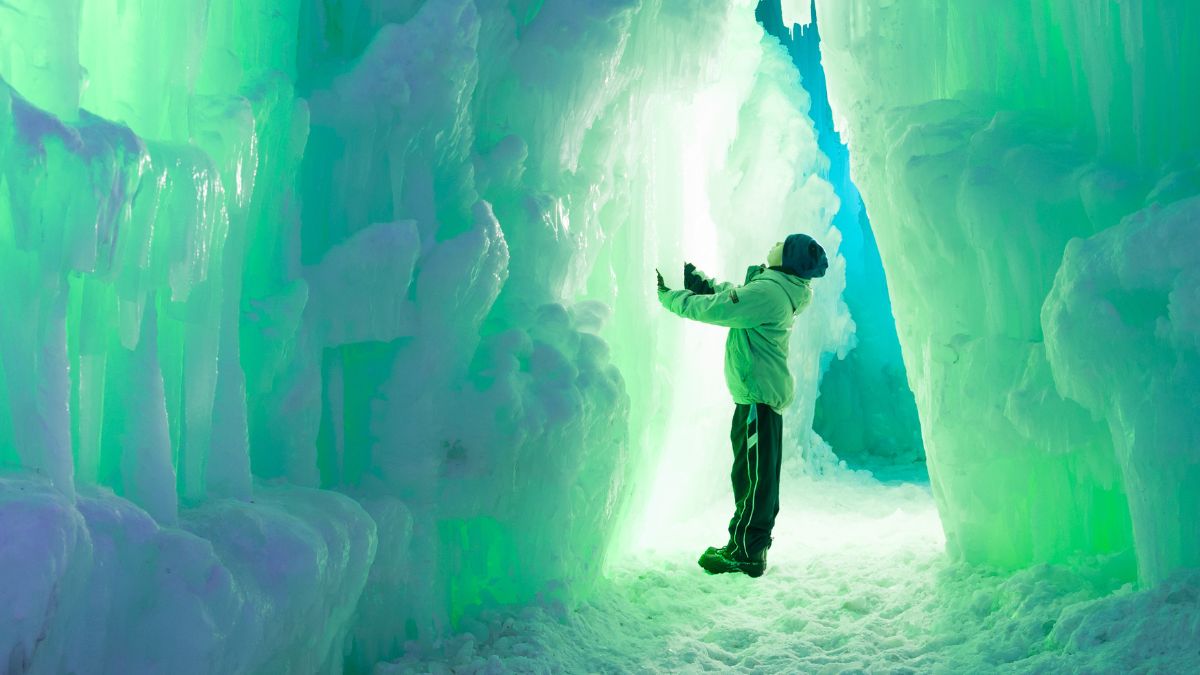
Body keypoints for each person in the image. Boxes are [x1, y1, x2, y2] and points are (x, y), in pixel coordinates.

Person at [655, 233, 828, 577]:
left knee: (754, 480)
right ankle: (742, 546)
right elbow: (734, 296)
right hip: (756, 397)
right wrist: (701, 282)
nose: (775, 242)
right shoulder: (776, 288)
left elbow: (721, 308)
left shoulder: (770, 293)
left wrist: (669, 297)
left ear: (787, 257)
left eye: (782, 243)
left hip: (758, 399)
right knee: (750, 475)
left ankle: (748, 553)